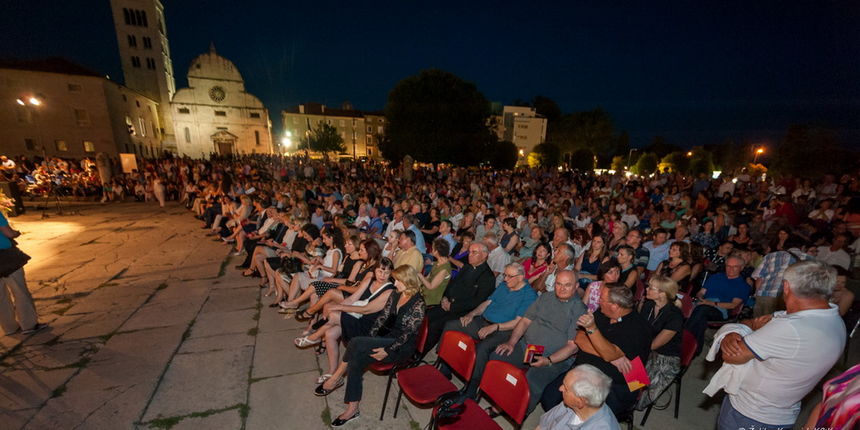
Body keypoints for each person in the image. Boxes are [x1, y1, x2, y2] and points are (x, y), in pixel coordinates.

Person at [716, 260, 846, 430]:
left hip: (751, 413)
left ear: (786, 286)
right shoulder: (834, 320)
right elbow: (758, 323)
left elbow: (731, 355)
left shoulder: (790, 327)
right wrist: (750, 326)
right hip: (782, 413)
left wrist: (735, 329)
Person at [314, 265, 426, 427]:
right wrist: (371, 338)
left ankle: (335, 378)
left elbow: (407, 334)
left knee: (355, 343)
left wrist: (387, 350)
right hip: (386, 337)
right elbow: (382, 318)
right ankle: (352, 409)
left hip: (401, 347)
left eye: (398, 281)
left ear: (408, 281)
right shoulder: (396, 294)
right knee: (356, 359)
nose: (394, 284)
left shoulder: (418, 303)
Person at [543, 285, 652, 415]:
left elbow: (610, 353)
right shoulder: (603, 312)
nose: (598, 301)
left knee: (582, 415)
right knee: (549, 398)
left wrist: (593, 329)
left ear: (614, 306)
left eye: (602, 298)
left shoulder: (639, 329)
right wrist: (610, 358)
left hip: (614, 385)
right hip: (584, 371)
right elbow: (579, 338)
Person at [493, 270, 588, 412]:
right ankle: (497, 397)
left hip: (554, 356)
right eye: (558, 284)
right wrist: (511, 342)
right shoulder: (545, 297)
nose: (561, 289)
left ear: (576, 286)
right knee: (498, 357)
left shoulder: (579, 309)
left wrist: (548, 360)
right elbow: (525, 321)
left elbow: (572, 346)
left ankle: (516, 412)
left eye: (567, 285)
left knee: (531, 380)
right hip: (530, 347)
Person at [440, 262, 537, 397]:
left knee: (483, 348)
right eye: (504, 275)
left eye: (509, 276)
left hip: (503, 329)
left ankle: (471, 388)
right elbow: (487, 303)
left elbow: (518, 322)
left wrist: (495, 326)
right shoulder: (504, 286)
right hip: (483, 321)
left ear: (521, 277)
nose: (505, 279)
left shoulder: (529, 295)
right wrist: (472, 314)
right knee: (452, 325)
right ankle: (444, 365)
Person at [425, 242, 495, 350]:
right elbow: (453, 284)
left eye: (474, 252)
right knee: (427, 316)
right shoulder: (467, 267)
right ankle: (415, 345)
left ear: (484, 255)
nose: (469, 255)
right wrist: (445, 298)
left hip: (462, 311)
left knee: (436, 325)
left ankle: (421, 351)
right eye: (469, 252)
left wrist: (452, 306)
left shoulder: (487, 277)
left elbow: (477, 301)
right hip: (447, 303)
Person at [634, 276, 683, 410]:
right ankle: (626, 395)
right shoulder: (649, 305)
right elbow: (639, 328)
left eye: (651, 288)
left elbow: (654, 345)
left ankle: (630, 401)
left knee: (636, 384)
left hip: (665, 357)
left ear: (662, 293)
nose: (646, 289)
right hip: (646, 349)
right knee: (624, 367)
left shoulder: (675, 316)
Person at [686, 255, 750, 355]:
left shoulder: (742, 285)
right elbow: (702, 292)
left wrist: (710, 303)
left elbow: (733, 305)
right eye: (728, 266)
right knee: (696, 314)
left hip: (721, 309)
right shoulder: (716, 277)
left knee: (701, 311)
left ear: (741, 268)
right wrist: (700, 296)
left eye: (735, 267)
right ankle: (694, 349)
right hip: (704, 304)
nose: (730, 269)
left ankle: (683, 339)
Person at [0, 212, 47, 335]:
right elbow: (8, 233)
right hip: (5, 258)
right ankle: (29, 324)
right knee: (19, 291)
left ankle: (9, 327)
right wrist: (16, 233)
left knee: (0, 296)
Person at [537, 364, 621, 430]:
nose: (560, 388)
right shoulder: (569, 404)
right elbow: (542, 426)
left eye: (565, 388)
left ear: (580, 402)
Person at [418, 238, 452, 306]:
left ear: (436, 252)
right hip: (424, 292)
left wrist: (420, 275)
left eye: (433, 248)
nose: (431, 250)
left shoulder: (444, 269)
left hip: (431, 298)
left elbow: (431, 286)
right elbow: (428, 277)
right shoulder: (437, 263)